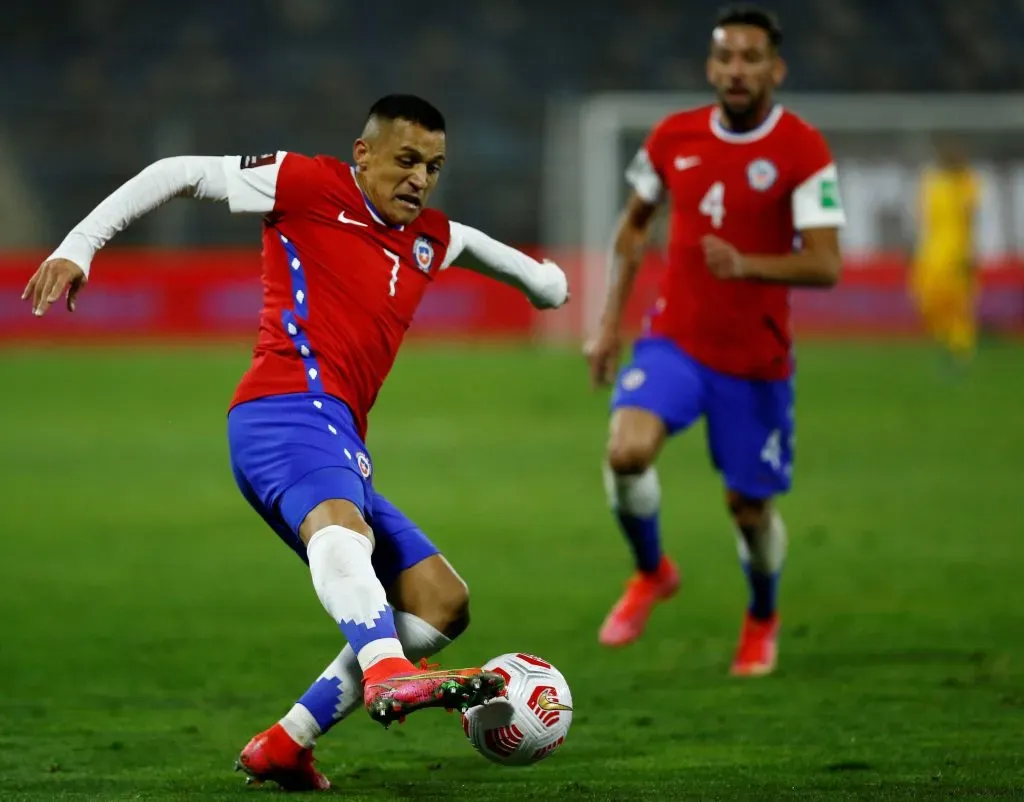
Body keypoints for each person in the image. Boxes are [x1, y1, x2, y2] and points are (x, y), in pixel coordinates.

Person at [23, 94, 569, 790]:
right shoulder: (306, 185)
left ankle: (287, 743)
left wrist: (547, 285)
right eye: (405, 161)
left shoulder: (433, 236)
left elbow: (523, 271)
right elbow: (175, 170)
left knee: (440, 602)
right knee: (345, 534)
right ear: (363, 154)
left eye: (433, 167)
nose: (420, 179)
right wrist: (79, 246)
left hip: (336, 433)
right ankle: (388, 673)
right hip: (283, 409)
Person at [584, 5, 846, 676]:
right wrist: (609, 322)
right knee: (626, 450)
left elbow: (825, 264)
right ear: (711, 66)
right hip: (675, 341)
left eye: (751, 57)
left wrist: (749, 263)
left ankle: (762, 616)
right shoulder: (673, 137)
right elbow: (633, 227)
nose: (736, 69)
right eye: (725, 57)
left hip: (755, 361)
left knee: (749, 509)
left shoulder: (803, 150)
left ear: (775, 69)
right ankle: (652, 573)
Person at [910, 135, 980, 368]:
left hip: (958, 251)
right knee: (926, 298)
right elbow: (921, 218)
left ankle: (960, 353)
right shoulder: (931, 182)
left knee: (959, 304)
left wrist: (971, 251)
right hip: (931, 252)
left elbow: (971, 219)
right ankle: (947, 342)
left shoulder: (967, 183)